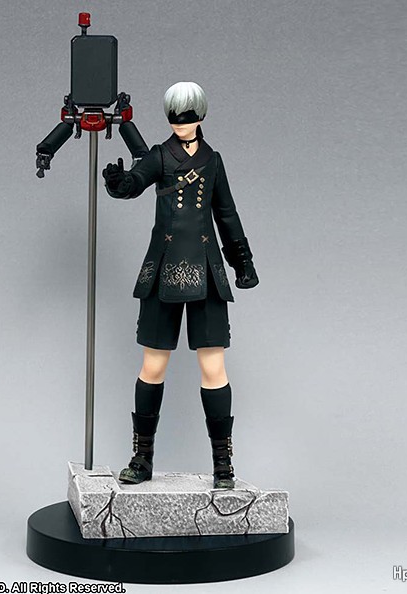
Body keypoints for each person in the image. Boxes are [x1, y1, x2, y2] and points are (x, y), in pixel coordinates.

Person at [103, 81, 258, 489]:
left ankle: (223, 463)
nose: (181, 124)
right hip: (162, 270)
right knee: (153, 365)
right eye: (175, 117)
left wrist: (242, 262)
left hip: (206, 270)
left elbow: (226, 213)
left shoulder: (213, 161)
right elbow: (136, 181)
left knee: (214, 367)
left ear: (201, 116)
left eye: (188, 117)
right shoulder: (159, 156)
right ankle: (142, 457)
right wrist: (119, 182)